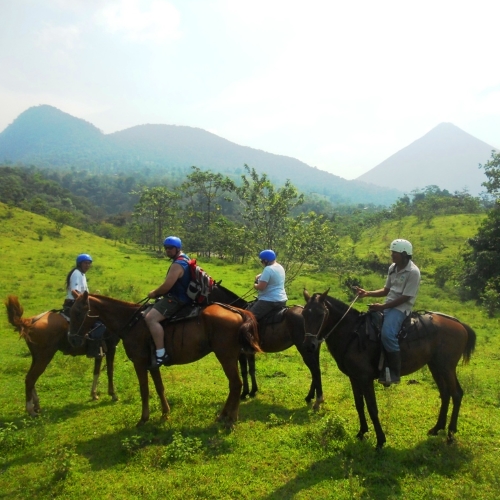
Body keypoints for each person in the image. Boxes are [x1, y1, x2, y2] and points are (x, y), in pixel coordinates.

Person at [354, 239, 421, 386]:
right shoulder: (393, 267)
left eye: (394, 253)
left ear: (404, 254)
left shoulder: (413, 272)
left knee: (387, 334)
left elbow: (405, 297)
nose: (392, 256)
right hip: (388, 305)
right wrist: (367, 293)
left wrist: (382, 308)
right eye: (392, 252)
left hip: (401, 308)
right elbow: (386, 290)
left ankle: (394, 372)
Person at [145, 236, 191, 369]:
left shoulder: (178, 264)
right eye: (166, 248)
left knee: (151, 318)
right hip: (182, 296)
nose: (168, 251)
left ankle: (161, 353)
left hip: (177, 299)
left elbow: (167, 286)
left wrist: (154, 293)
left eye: (170, 248)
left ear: (177, 249)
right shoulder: (185, 258)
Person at [247, 249, 288, 320]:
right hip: (282, 300)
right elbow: (271, 274)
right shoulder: (280, 267)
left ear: (266, 260)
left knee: (248, 317)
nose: (261, 262)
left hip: (269, 301)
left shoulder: (268, 269)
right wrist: (259, 276)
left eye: (262, 261)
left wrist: (255, 285)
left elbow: (261, 287)